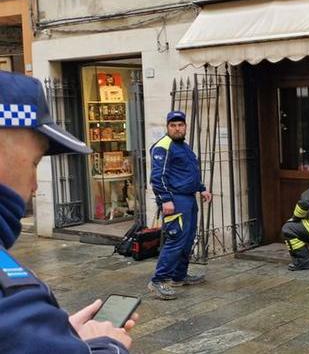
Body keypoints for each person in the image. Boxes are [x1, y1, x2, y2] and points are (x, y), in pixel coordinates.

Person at [0, 71, 136, 352]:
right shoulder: (12, 300)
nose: (35, 185)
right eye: (35, 162)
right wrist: (109, 346)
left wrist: (54, 337)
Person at [147, 110, 212, 300]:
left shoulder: (184, 146)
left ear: (185, 126)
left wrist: (201, 188)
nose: (177, 128)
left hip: (188, 199)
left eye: (180, 125)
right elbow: (158, 177)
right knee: (176, 240)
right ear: (167, 127)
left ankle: (179, 276)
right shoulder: (163, 146)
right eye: (173, 125)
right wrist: (165, 199)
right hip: (175, 200)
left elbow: (190, 171)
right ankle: (158, 281)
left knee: (188, 239)